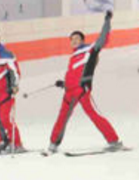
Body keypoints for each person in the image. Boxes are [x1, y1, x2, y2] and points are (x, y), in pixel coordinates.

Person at [47, 11, 124, 154]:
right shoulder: (73, 56)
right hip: (69, 92)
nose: (74, 40)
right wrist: (63, 83)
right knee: (62, 117)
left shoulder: (90, 50)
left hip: (82, 90)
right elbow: (74, 74)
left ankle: (113, 140)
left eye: (77, 38)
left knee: (94, 114)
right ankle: (53, 144)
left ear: (82, 40)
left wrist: (107, 21)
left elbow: (102, 38)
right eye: (72, 39)